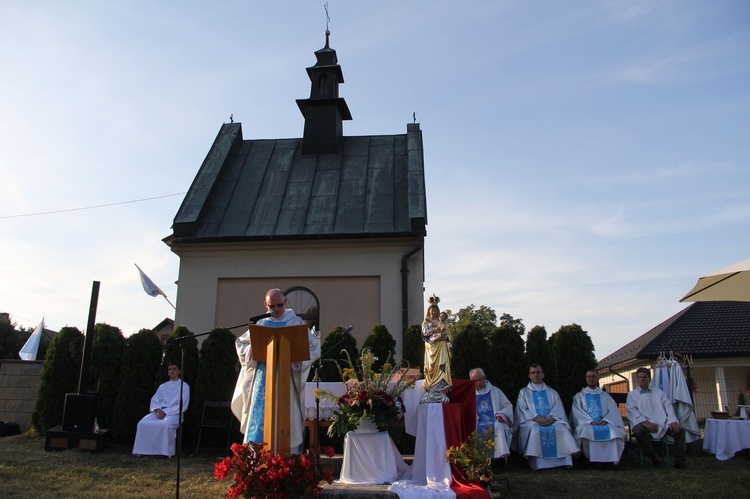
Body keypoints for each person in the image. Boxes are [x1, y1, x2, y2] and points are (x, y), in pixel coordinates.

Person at [231, 288, 320, 454]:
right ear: (265, 304)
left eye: (279, 305)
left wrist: (297, 358)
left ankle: (286, 457)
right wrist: (252, 349)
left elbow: (314, 348)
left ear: (285, 302)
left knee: (287, 416)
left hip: (287, 377)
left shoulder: (296, 323)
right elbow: (241, 344)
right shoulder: (260, 324)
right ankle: (256, 459)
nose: (276, 309)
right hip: (263, 378)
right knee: (259, 417)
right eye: (272, 306)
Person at [512, 364, 580, 470]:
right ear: (529, 376)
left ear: (543, 375)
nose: (536, 375)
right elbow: (522, 410)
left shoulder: (552, 392)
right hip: (532, 421)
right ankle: (539, 464)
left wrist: (552, 418)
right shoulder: (524, 392)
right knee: (535, 430)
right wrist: (536, 418)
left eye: (538, 372)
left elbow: (558, 409)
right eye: (533, 373)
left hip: (551, 420)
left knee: (561, 429)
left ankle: (563, 462)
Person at [626, 367, 687, 469]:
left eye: (644, 377)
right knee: (638, 431)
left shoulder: (659, 392)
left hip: (662, 422)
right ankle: (654, 457)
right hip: (644, 424)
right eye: (639, 377)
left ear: (649, 379)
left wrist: (672, 420)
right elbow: (633, 412)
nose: (642, 379)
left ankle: (679, 461)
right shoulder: (632, 395)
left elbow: (668, 407)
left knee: (679, 431)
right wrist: (647, 423)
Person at [132, 362, 190, 457]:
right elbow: (155, 400)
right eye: (169, 369)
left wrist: (165, 412)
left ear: (179, 371)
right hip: (159, 412)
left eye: (174, 369)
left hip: (174, 414)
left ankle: (163, 452)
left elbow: (182, 405)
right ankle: (144, 451)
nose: (171, 371)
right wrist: (158, 410)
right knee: (142, 423)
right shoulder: (163, 386)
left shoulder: (184, 386)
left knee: (165, 425)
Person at [570, 370, 626, 466]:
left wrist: (606, 420)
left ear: (597, 378)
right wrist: (590, 421)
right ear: (586, 379)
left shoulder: (605, 396)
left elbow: (613, 410)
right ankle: (591, 461)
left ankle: (610, 460)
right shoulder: (580, 396)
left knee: (614, 431)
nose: (591, 378)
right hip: (587, 424)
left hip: (605, 423)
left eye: (593, 376)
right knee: (586, 431)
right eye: (589, 376)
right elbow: (577, 412)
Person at [470, 367, 513, 461]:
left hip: (495, 421)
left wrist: (501, 415)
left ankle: (499, 460)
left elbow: (507, 406)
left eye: (479, 379)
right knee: (473, 429)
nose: (477, 382)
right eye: (475, 380)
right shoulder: (469, 394)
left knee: (499, 427)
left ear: (484, 377)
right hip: (477, 422)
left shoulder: (495, 391)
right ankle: (479, 461)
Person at [421, 294, 451, 396]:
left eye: (435, 310)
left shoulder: (441, 322)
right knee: (431, 366)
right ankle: (431, 382)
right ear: (429, 311)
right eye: (432, 310)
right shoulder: (426, 322)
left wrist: (445, 337)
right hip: (431, 346)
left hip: (441, 346)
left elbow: (448, 335)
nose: (434, 312)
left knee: (442, 364)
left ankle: (441, 382)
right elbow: (425, 333)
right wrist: (435, 330)